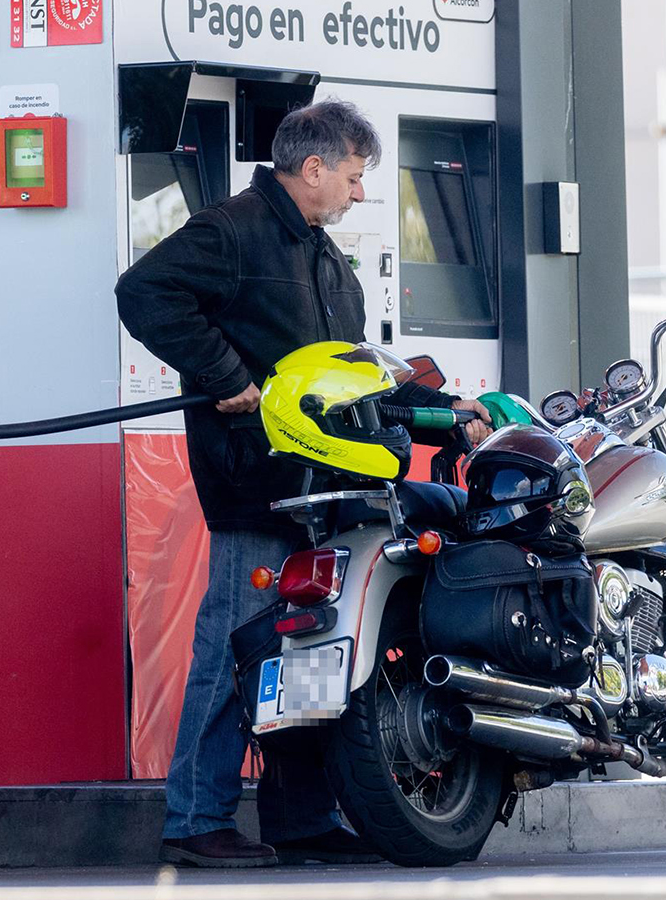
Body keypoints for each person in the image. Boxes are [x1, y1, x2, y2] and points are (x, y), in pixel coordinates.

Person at [116, 99, 491, 868]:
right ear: (313, 167)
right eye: (354, 177)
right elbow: (143, 292)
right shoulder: (231, 231)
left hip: (331, 487)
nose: (360, 194)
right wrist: (224, 377)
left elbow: (353, 373)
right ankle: (195, 821)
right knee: (237, 647)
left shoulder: (324, 259)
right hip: (258, 485)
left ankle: (301, 818)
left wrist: (442, 410)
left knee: (313, 654)